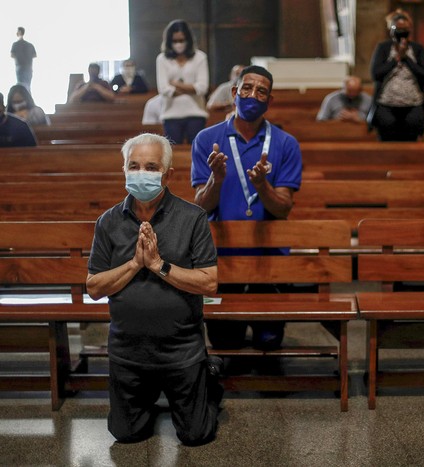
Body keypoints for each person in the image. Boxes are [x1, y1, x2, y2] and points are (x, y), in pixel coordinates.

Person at [86, 133, 223, 446]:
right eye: (133, 166)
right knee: (126, 433)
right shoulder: (108, 222)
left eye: (150, 167)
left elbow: (209, 281)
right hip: (128, 351)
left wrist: (159, 265)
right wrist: (135, 264)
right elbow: (94, 287)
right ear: (123, 170)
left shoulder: (193, 218)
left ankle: (209, 381)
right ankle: (148, 399)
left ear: (168, 174)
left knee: (195, 435)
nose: (140, 173)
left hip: (180, 349)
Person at [191, 65, 302, 354]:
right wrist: (216, 178)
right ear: (234, 93)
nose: (253, 95)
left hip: (269, 259)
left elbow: (283, 209)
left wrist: (262, 185)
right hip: (223, 259)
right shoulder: (207, 140)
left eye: (261, 91)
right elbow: (201, 207)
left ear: (269, 101)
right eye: (247, 88)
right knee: (226, 342)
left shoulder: (285, 143)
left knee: (268, 343)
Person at [368, 9, 424, 142]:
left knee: (410, 142)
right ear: (392, 30)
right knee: (387, 142)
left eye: (405, 29)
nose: (402, 32)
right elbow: (376, 74)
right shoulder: (383, 48)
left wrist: (407, 59)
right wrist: (396, 58)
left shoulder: (417, 49)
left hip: (413, 106)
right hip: (386, 105)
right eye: (398, 28)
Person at [156, 19, 209, 144]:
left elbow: (202, 88)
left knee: (197, 153)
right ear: (169, 41)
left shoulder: (200, 57)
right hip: (170, 115)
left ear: (188, 40)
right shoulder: (162, 59)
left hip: (196, 114)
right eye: (175, 41)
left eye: (181, 40)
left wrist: (175, 84)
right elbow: (163, 89)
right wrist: (191, 89)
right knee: (172, 155)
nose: (178, 44)